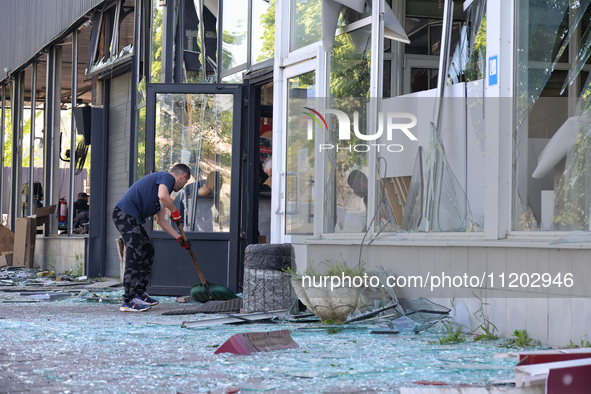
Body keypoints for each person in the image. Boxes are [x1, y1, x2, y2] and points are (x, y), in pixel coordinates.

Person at [112, 163, 191, 312]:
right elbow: (163, 196)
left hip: (131, 218)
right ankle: (128, 300)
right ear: (183, 177)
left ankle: (139, 293)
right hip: (124, 214)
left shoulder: (165, 191)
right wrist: (174, 210)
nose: (182, 186)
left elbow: (160, 221)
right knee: (134, 252)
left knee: (147, 250)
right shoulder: (167, 177)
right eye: (185, 183)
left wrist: (178, 237)